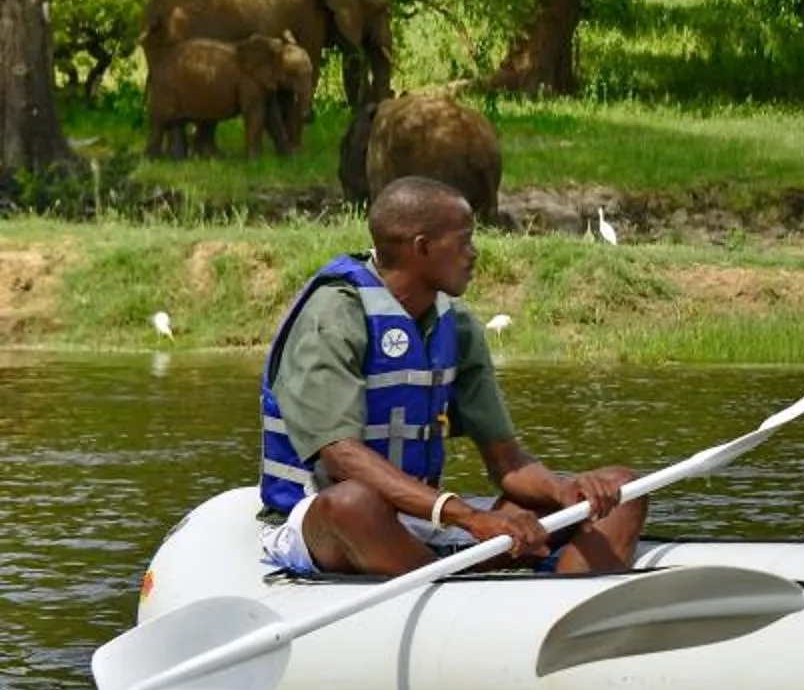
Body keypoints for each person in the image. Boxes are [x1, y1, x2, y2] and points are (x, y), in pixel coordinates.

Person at [256, 176, 644, 577]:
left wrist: (563, 490)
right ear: (422, 248)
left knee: (623, 487)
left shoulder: (455, 326)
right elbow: (341, 459)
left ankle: (568, 601)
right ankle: (460, 594)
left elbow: (507, 462)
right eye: (464, 241)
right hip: (321, 521)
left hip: (421, 518)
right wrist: (466, 517)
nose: (474, 254)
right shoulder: (334, 315)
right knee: (353, 502)